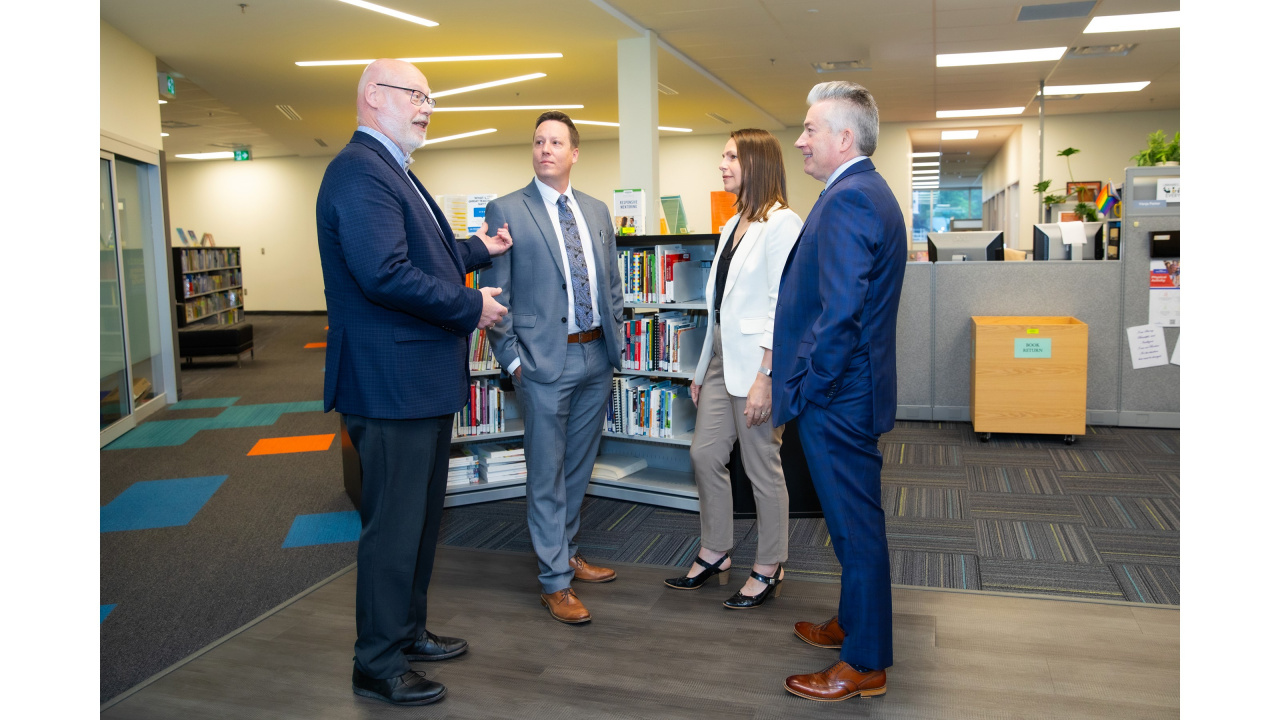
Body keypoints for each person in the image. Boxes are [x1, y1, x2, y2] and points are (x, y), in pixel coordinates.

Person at [316, 58, 513, 706]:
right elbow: (386, 275)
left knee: (421, 523)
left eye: (432, 97)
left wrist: (479, 248)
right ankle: (375, 661)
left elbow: (426, 253)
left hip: (415, 383)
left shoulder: (393, 171)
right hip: (389, 384)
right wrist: (471, 306)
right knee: (393, 530)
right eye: (417, 95)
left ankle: (406, 632)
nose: (428, 106)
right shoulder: (359, 173)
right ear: (375, 97)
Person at [771, 80, 906, 701]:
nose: (799, 140)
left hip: (838, 395)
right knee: (851, 524)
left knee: (855, 529)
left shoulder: (850, 199)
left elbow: (840, 314)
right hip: (849, 389)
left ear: (844, 138)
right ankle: (853, 624)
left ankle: (865, 661)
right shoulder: (858, 191)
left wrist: (810, 389)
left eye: (809, 129)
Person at [482, 111, 626, 624]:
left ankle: (565, 552)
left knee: (577, 468)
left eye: (556, 141)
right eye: (539, 141)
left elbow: (610, 285)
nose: (545, 148)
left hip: (595, 356)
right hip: (543, 361)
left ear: (574, 153)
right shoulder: (508, 209)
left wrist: (616, 345)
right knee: (546, 473)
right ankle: (554, 582)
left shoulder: (597, 211)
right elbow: (496, 295)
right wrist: (514, 359)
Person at [663, 129, 801, 609]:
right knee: (704, 455)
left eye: (730, 156)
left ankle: (769, 564)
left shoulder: (783, 224)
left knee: (761, 465)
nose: (721, 164)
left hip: (758, 366)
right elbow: (717, 307)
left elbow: (780, 304)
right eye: (721, 155)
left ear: (756, 163)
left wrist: (767, 374)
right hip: (722, 360)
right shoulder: (732, 223)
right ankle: (716, 550)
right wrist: (701, 369)